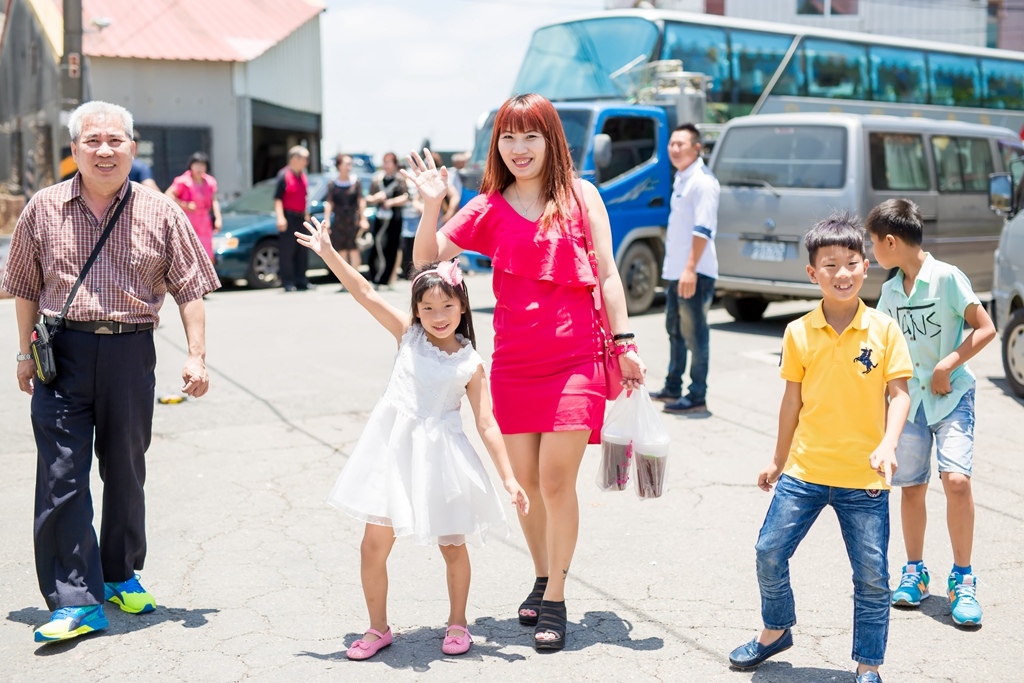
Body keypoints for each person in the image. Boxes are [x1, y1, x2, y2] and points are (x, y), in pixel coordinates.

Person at [403, 93, 646, 652]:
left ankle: (556, 596)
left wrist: (625, 340)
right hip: (513, 363)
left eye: (530, 136)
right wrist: (432, 206)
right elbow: (426, 261)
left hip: (577, 359)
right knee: (528, 488)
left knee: (557, 480)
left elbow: (608, 274)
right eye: (508, 138)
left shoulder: (581, 196)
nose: (519, 148)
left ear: (551, 139)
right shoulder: (489, 206)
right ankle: (542, 575)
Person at [2, 100, 219, 643]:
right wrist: (25, 354)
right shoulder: (43, 207)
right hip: (62, 351)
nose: (104, 150)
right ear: (74, 149)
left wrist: (196, 354)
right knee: (60, 476)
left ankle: (120, 572)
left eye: (115, 140)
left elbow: (191, 289)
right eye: (92, 140)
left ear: (132, 147)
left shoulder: (160, 210)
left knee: (125, 468)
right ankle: (75, 599)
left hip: (130, 352)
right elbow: (25, 287)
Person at [294, 217, 529, 660]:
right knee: (372, 546)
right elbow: (365, 291)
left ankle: (458, 623)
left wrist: (510, 479)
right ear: (417, 311)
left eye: (446, 308)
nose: (437, 318)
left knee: (453, 547)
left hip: (442, 459)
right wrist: (328, 253)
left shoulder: (470, 363)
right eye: (428, 309)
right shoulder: (409, 336)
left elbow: (487, 423)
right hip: (391, 453)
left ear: (462, 307)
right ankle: (378, 627)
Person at [728, 214, 912, 683]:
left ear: (866, 266)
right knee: (769, 550)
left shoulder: (885, 331)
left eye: (852, 262)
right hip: (806, 470)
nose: (843, 273)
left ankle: (868, 665)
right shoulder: (798, 332)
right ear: (813, 274)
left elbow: (900, 394)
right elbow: (792, 400)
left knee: (871, 578)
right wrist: (777, 459)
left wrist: (889, 444)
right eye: (830, 264)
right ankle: (775, 631)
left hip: (865, 479)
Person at [866, 199, 996, 627]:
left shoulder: (947, 279)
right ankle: (915, 571)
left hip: (952, 396)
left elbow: (986, 327)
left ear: (891, 241)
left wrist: (947, 364)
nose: (871, 254)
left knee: (956, 481)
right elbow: (881, 350)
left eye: (873, 245)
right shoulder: (889, 292)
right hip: (909, 402)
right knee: (912, 487)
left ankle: (963, 578)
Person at [653, 123, 720, 414]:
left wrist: (690, 269)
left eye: (681, 144)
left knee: (695, 335)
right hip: (676, 272)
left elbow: (703, 229)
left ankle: (696, 396)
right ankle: (672, 387)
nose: (674, 149)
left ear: (697, 148)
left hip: (694, 273)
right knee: (675, 332)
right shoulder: (682, 178)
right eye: (671, 144)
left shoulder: (703, 182)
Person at [323, 153, 369, 289]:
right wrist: (327, 220)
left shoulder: (356, 181)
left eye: (350, 164)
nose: (349, 167)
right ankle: (346, 282)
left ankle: (355, 281)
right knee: (341, 251)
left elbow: (361, 201)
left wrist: (363, 218)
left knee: (354, 249)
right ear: (339, 166)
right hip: (338, 221)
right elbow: (329, 202)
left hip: (353, 220)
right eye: (346, 164)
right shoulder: (333, 183)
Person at [166, 151, 222, 263]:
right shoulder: (183, 181)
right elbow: (168, 195)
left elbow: (214, 200)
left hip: (204, 222)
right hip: (187, 220)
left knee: (207, 254)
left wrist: (218, 218)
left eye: (202, 165)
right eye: (196, 164)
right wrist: (184, 205)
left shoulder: (209, 181)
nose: (199, 168)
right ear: (191, 165)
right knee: (188, 252)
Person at [365, 152, 408, 289]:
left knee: (392, 248)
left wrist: (391, 202)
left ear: (395, 164)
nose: (386, 165)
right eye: (384, 161)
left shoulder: (400, 179)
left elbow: (405, 197)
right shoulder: (377, 179)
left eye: (389, 162)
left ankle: (387, 280)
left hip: (394, 218)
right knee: (376, 246)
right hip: (379, 217)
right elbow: (368, 198)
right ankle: (375, 278)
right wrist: (376, 198)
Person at [274, 145, 311, 291]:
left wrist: (306, 214)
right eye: (304, 158)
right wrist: (280, 218)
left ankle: (301, 280)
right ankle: (288, 282)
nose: (306, 162)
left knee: (302, 250)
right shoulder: (284, 175)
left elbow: (304, 197)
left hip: (300, 216)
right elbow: (277, 199)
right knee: (287, 251)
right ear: (295, 158)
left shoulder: (302, 175)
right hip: (288, 215)